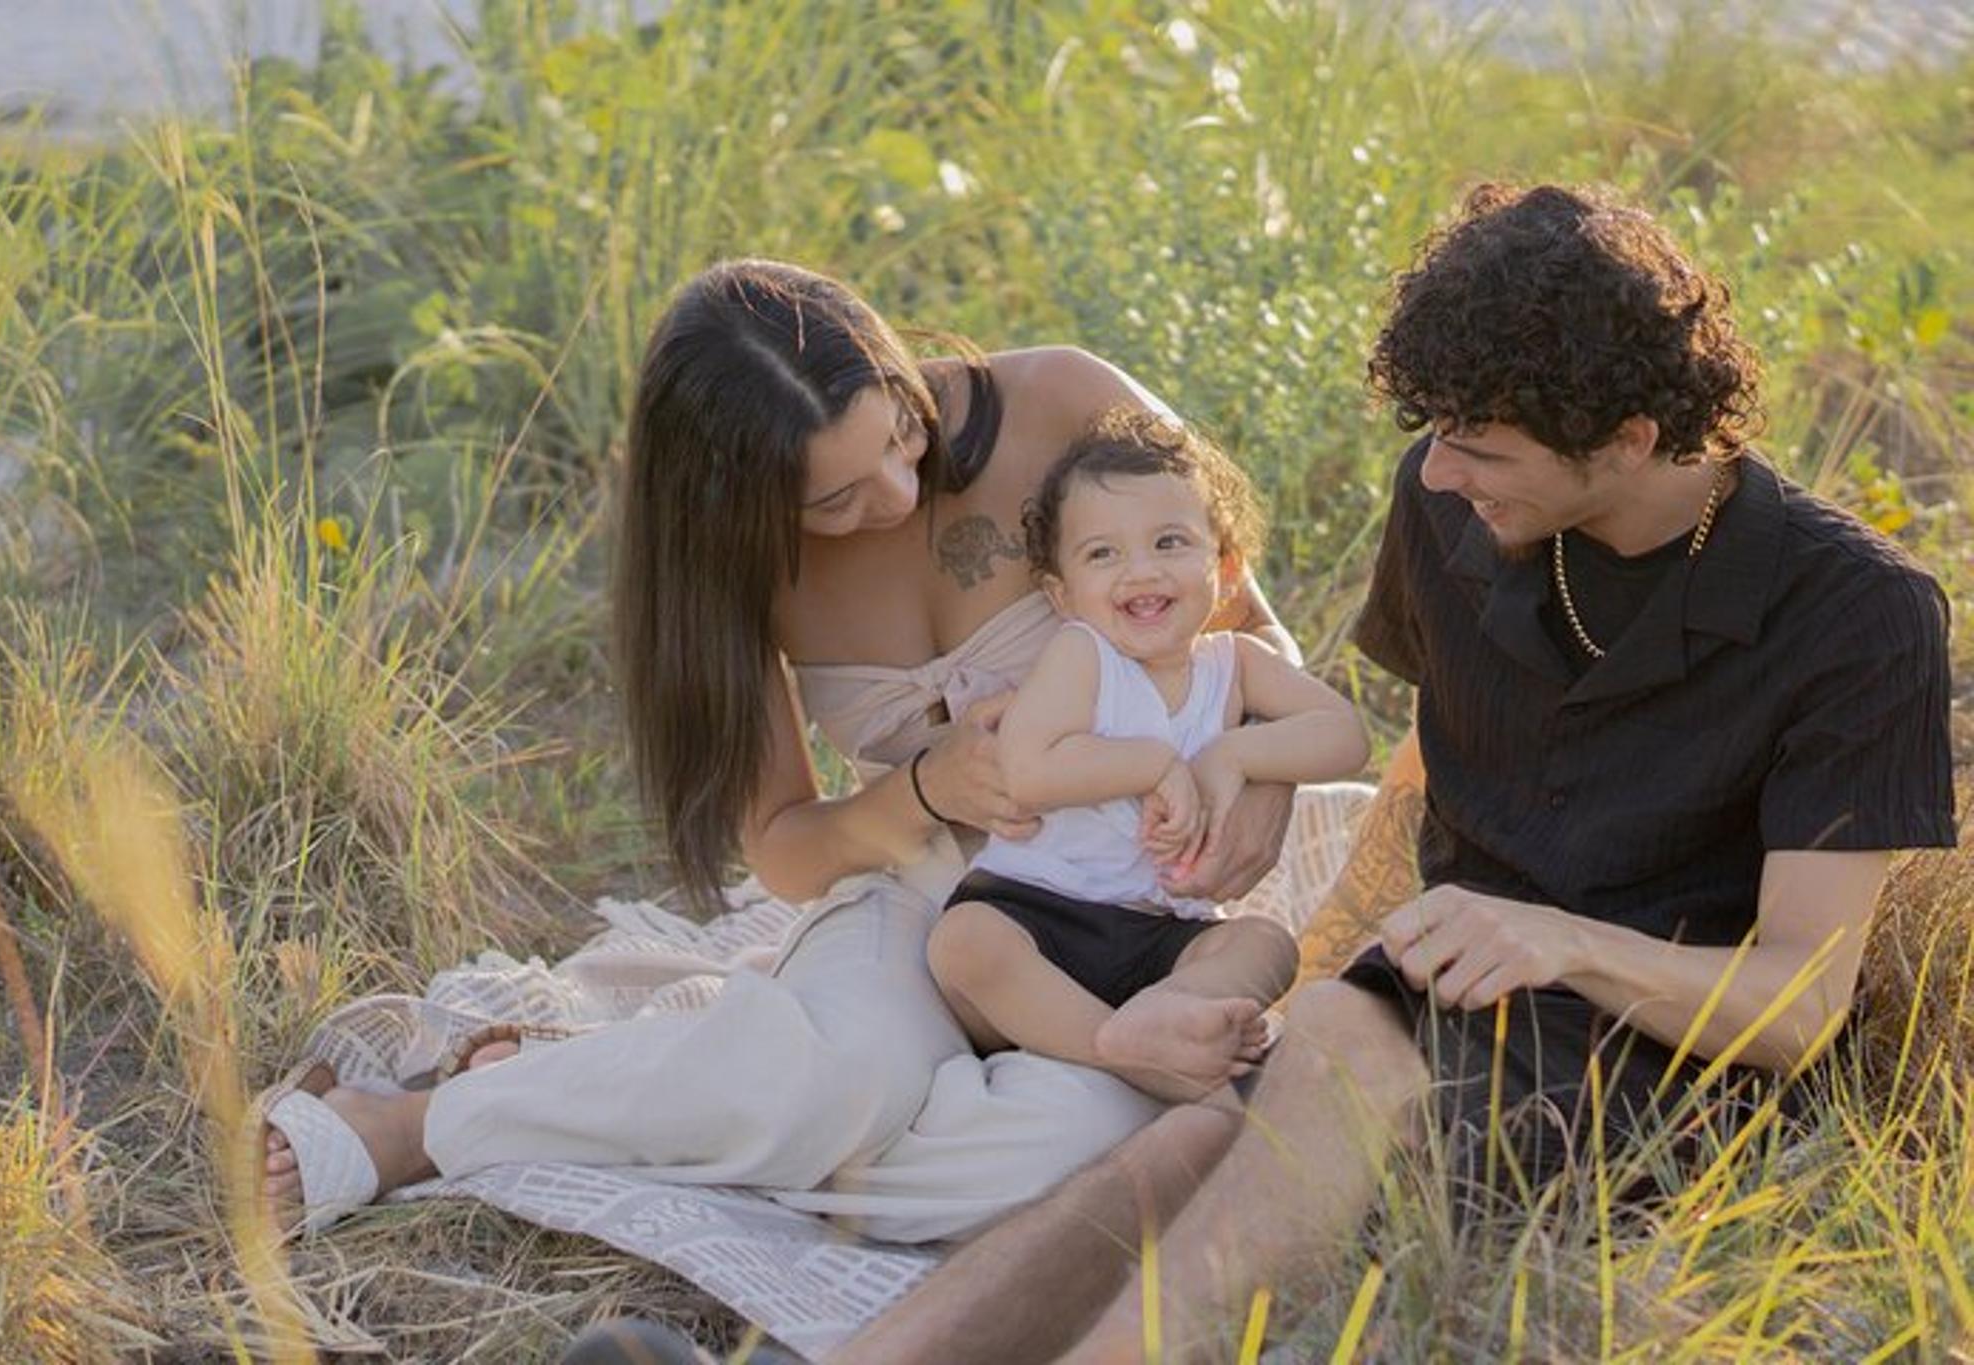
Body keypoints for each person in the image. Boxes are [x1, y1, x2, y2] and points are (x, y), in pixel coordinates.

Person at [813, 182, 1957, 1364]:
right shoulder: (1447, 503)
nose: (1441, 474)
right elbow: (1418, 758)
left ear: (1627, 439)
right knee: (1190, 1142)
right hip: (1434, 997)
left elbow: (1796, 1007)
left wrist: (1561, 943)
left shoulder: (1855, 614)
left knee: (1316, 1076)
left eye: (1480, 449)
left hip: (1656, 1071)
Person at [258, 259, 1325, 1245]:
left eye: (899, 437)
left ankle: (666, 1085)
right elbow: (784, 852)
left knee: (1056, 1149)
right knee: (826, 1092)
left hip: (1133, 901)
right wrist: (924, 785)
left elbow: (1252, 642)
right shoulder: (741, 577)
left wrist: (1259, 781)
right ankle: (416, 1124)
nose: (898, 497)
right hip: (930, 896)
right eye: (835, 498)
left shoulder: (1061, 400)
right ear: (740, 499)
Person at [928, 411, 1367, 1101]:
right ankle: (1116, 1049)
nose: (1141, 571)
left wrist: (1233, 754)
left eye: (1169, 542)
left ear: (1222, 568)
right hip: (1039, 909)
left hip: (1163, 932)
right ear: (1062, 594)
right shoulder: (1084, 657)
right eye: (1103, 554)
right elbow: (1029, 770)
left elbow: (1347, 735)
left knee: (1266, 944)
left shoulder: (1235, 664)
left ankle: (1167, 1017)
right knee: (962, 942)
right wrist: (1156, 765)